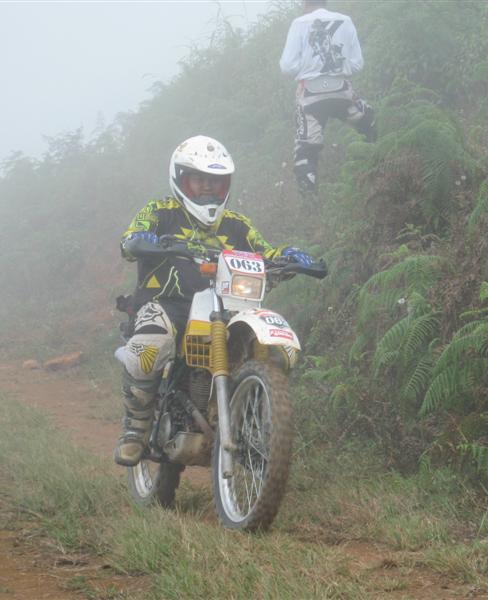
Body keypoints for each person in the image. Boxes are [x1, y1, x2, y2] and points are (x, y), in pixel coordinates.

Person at [114, 135, 315, 466]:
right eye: (199, 180)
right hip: (167, 303)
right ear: (181, 179)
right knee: (149, 347)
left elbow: (265, 251)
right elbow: (129, 241)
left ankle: (252, 422)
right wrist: (139, 240)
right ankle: (135, 428)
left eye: (215, 182)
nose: (208, 188)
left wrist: (289, 256)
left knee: (278, 351)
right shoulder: (160, 211)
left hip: (228, 305)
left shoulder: (237, 224)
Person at [279, 0, 376, 194]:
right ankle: (371, 174)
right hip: (342, 91)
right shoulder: (345, 20)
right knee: (369, 122)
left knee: (306, 150)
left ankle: (310, 203)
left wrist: (308, 67)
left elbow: (287, 67)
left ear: (304, 3)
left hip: (310, 95)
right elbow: (357, 64)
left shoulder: (299, 23)